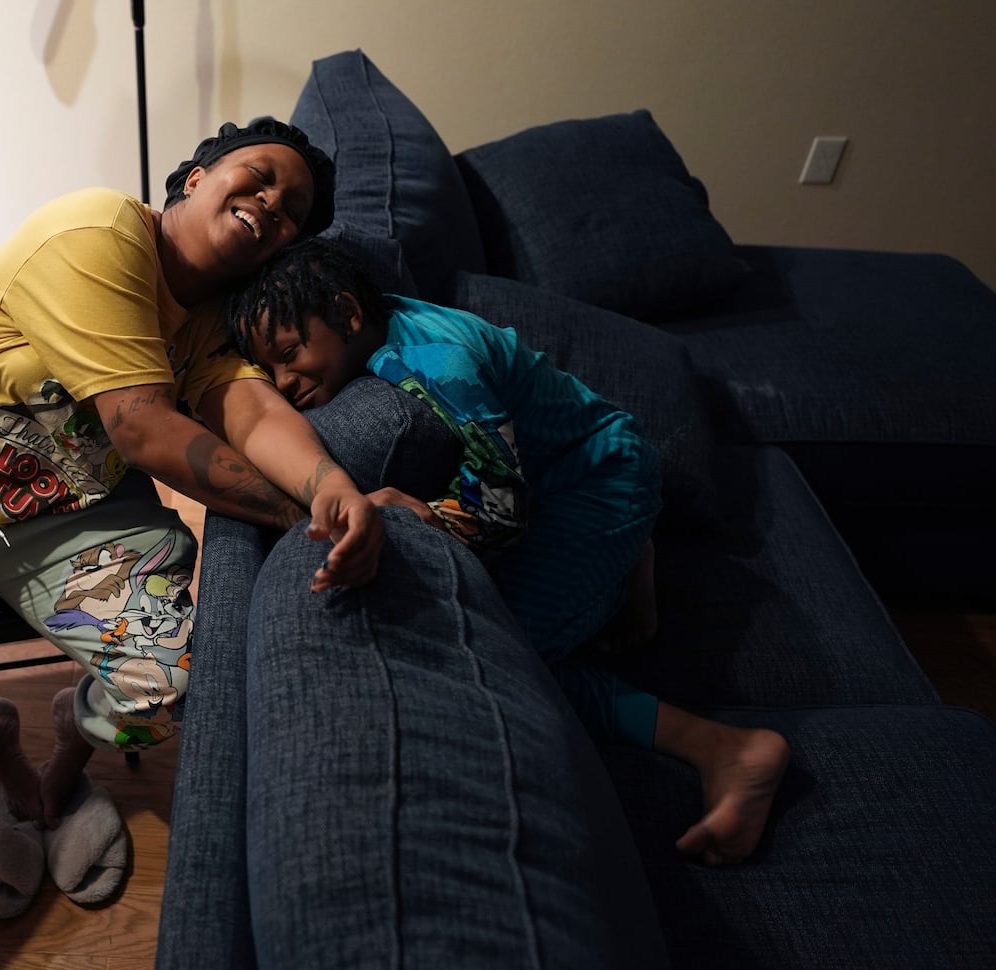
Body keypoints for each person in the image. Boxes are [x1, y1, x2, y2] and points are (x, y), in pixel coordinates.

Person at [0, 119, 385, 843]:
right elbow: (141, 426)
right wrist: (299, 513)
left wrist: (331, 487)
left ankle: (72, 740)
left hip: (74, 521)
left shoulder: (219, 322)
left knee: (179, 686)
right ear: (198, 175)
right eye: (261, 173)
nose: (272, 202)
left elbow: (250, 408)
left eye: (292, 210)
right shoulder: (96, 228)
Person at [227, 237, 790, 866]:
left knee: (510, 662)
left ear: (346, 314)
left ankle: (724, 747)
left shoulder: (435, 363)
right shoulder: (388, 320)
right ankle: (627, 564)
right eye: (268, 369)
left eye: (289, 355)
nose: (284, 382)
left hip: (599, 484)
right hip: (573, 464)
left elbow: (502, 508)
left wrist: (420, 514)